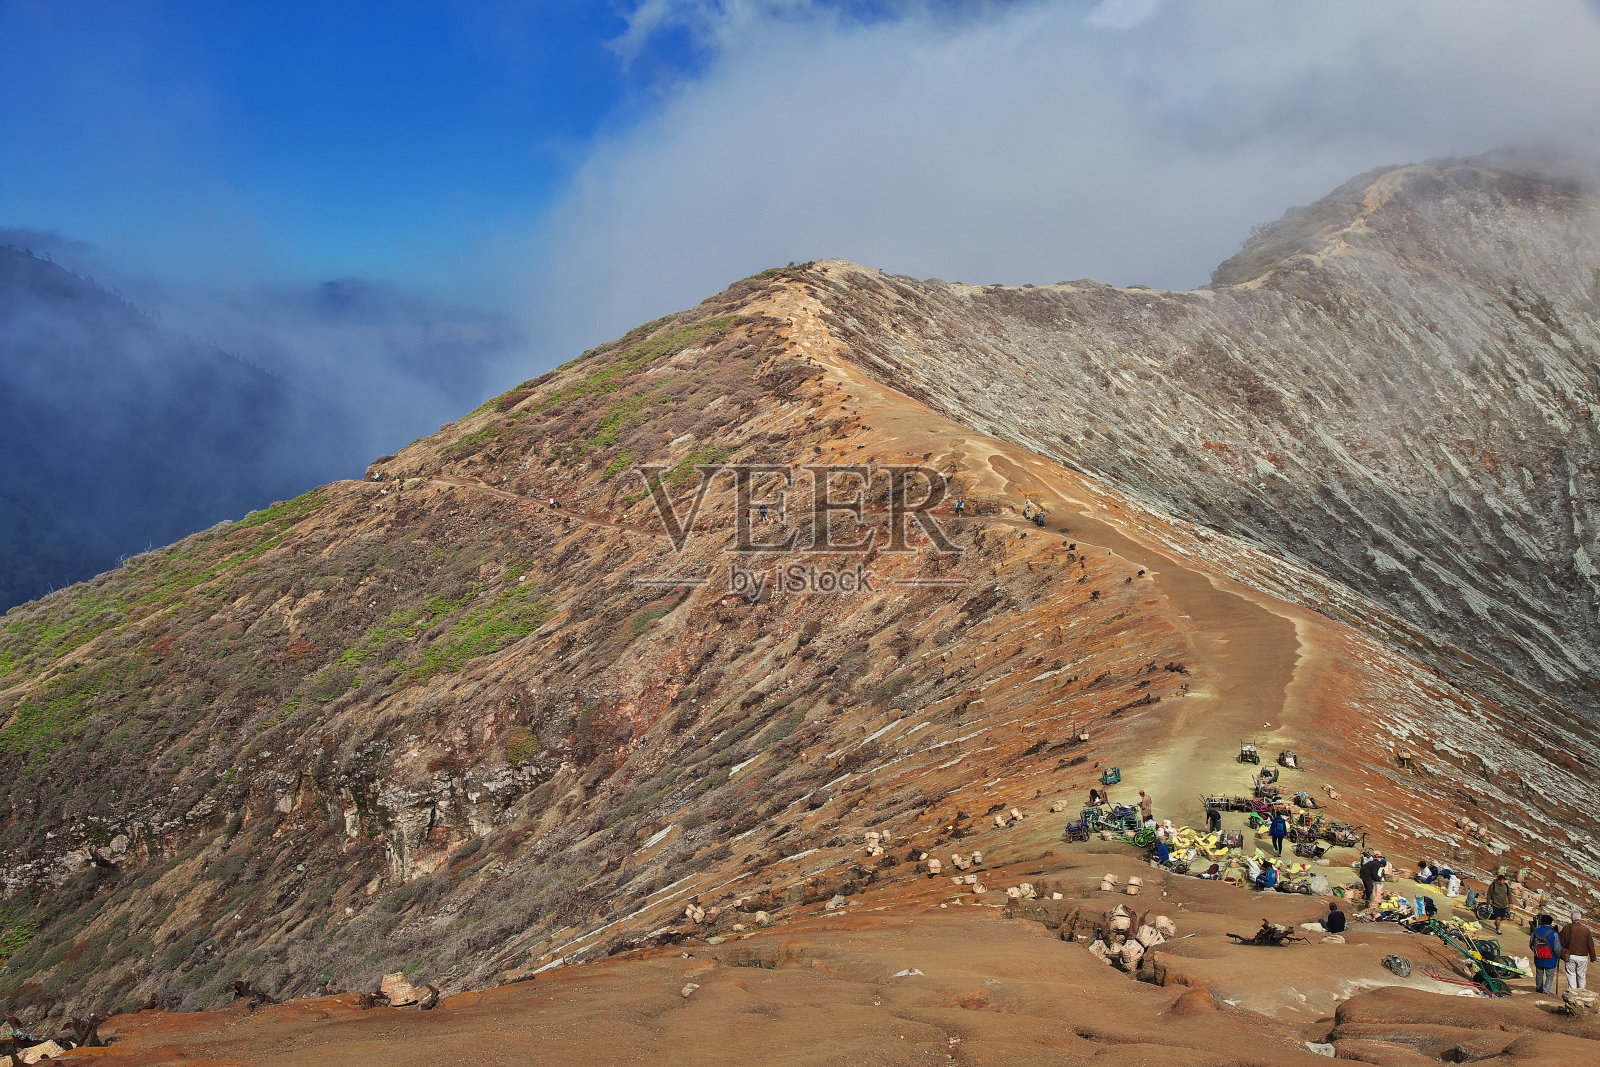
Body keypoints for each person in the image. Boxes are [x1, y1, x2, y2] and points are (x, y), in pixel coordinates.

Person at [1561, 909, 1595, 991]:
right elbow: (1590, 945)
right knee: (1581, 975)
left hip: (1570, 955)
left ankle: (1572, 992)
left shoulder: (1566, 928)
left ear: (1571, 918)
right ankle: (1581, 992)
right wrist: (1593, 957)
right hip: (1582, 956)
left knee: (1571, 974)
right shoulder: (1586, 930)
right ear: (1580, 919)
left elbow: (1561, 941)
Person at [1530, 913, 1562, 994]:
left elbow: (1531, 944)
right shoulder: (1554, 934)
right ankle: (1546, 991)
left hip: (1538, 957)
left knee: (1539, 973)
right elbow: (1557, 948)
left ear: (1541, 921)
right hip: (1550, 958)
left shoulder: (1535, 931)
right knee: (1550, 975)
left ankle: (1539, 988)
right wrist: (1558, 956)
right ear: (1551, 923)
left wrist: (1537, 952)